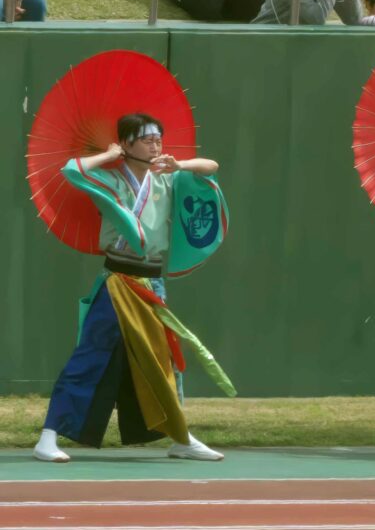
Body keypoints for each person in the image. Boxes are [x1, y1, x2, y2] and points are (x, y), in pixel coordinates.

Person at [33, 114, 229, 463]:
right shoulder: (110, 178)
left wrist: (180, 164)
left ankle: (180, 437)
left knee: (165, 361)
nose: (155, 146)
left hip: (152, 281)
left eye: (158, 139)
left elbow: (211, 167)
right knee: (90, 357)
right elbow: (72, 170)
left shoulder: (167, 177)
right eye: (146, 139)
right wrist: (108, 156)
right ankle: (48, 436)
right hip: (119, 283)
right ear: (126, 144)